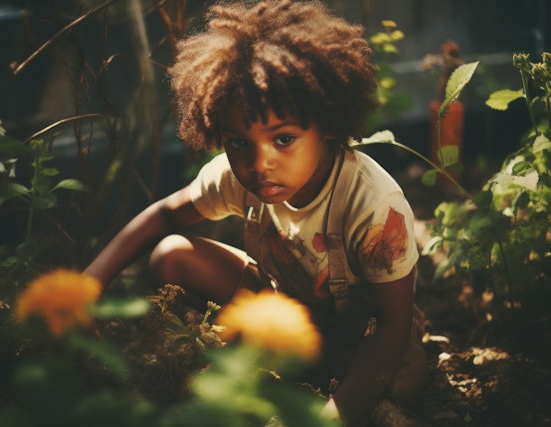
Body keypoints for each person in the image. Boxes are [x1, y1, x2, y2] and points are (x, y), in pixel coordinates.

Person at [83, 0, 428, 425]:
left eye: (283, 139)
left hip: (358, 333)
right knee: (170, 254)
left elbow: (392, 323)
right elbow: (165, 217)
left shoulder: (372, 204)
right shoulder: (237, 175)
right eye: (239, 142)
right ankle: (248, 365)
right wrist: (89, 285)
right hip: (278, 310)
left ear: (329, 123)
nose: (259, 163)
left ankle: (311, 383)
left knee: (402, 379)